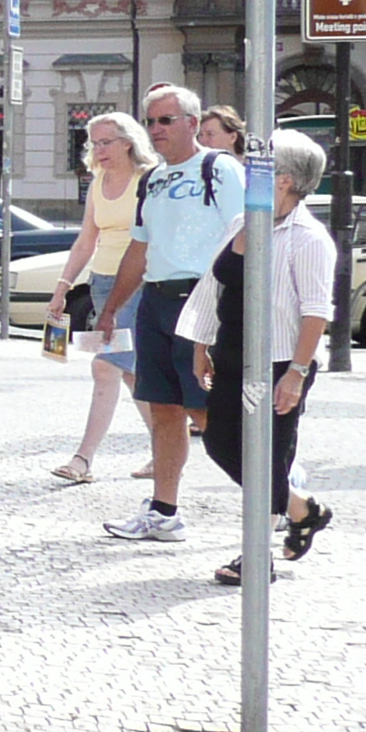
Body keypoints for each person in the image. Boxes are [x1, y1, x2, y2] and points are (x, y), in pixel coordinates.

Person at [180, 127, 341, 585]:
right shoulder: (244, 223)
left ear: (285, 179)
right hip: (232, 353)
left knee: (267, 457)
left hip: (277, 361)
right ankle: (301, 509)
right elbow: (215, 287)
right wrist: (200, 344)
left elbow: (316, 312)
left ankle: (256, 556)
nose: (250, 171)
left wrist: (295, 372)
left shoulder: (308, 237)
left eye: (261, 166)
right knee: (220, 444)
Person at [97, 84, 246, 543]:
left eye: (166, 120)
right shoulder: (154, 178)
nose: (157, 129)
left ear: (190, 122)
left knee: (208, 412)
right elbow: (139, 248)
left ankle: (278, 495)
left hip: (201, 299)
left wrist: (230, 302)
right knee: (164, 409)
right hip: (157, 301)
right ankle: (164, 512)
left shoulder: (219, 168)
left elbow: (246, 234)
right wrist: (111, 308)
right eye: (151, 121)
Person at [44, 111, 156, 484]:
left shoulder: (148, 179)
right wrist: (63, 286)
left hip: (139, 282)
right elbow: (86, 239)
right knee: (129, 374)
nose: (99, 149)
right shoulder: (98, 183)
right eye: (93, 142)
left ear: (128, 141)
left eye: (106, 141)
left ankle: (83, 459)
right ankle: (165, 449)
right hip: (103, 283)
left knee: (106, 366)